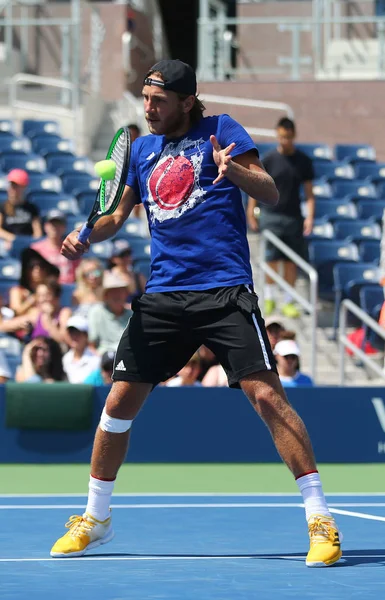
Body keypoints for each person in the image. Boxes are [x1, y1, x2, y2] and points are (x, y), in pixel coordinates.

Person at [52, 59, 341, 567]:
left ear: (187, 101)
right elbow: (116, 217)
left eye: (158, 101)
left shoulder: (221, 129)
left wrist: (236, 171)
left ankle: (320, 519)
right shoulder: (141, 149)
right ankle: (96, 519)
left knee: (267, 396)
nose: (148, 109)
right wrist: (85, 234)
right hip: (164, 296)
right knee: (118, 403)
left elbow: (269, 190)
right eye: (144, 99)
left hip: (224, 288)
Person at [248, 117, 315, 319]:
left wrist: (310, 217)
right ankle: (268, 297)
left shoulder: (303, 161)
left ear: (293, 136)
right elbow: (256, 185)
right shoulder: (268, 159)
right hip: (270, 215)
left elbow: (310, 193)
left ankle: (288, 300)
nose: (284, 140)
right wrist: (251, 210)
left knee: (290, 261)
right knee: (271, 258)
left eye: (287, 137)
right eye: (281, 136)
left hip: (293, 216)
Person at [87, 271, 133, 354]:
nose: (117, 295)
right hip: (105, 359)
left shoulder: (132, 315)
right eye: (112, 291)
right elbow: (91, 345)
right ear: (105, 296)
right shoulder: (96, 312)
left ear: (126, 294)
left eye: (120, 291)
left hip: (129, 357)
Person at [31, 209, 80, 284]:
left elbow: (78, 273)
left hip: (67, 289)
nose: (55, 227)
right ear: (45, 226)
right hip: (45, 289)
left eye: (58, 224)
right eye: (52, 224)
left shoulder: (72, 248)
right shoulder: (36, 249)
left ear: (64, 227)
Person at [9, 248, 60, 317]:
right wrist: (31, 301)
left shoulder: (51, 290)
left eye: (41, 266)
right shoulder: (17, 291)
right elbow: (15, 313)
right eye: (32, 266)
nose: (37, 269)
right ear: (26, 270)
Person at [0, 169, 43, 245]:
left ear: (24, 187)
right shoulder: (2, 207)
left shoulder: (32, 208)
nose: (13, 189)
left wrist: (29, 243)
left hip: (28, 244)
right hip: (7, 244)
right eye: (11, 185)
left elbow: (37, 233)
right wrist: (13, 239)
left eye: (16, 186)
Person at [62, 316, 101, 384]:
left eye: (77, 333)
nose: (74, 337)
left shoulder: (96, 360)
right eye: (71, 333)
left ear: (86, 335)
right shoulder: (65, 359)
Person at [106, 239, 146, 303]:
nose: (126, 257)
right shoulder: (107, 275)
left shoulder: (138, 277)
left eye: (128, 254)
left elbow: (146, 297)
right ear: (113, 258)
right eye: (122, 255)